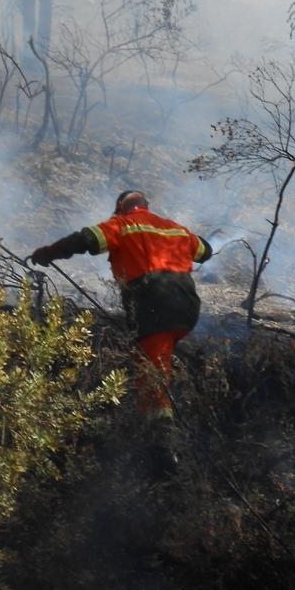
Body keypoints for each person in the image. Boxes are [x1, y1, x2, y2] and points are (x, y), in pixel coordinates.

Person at [30, 190, 212, 470]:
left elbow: (85, 239)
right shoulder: (175, 228)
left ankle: (164, 450)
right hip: (187, 307)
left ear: (120, 209)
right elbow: (205, 251)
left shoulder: (122, 225)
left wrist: (48, 253)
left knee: (153, 378)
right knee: (150, 362)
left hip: (155, 303)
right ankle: (154, 431)